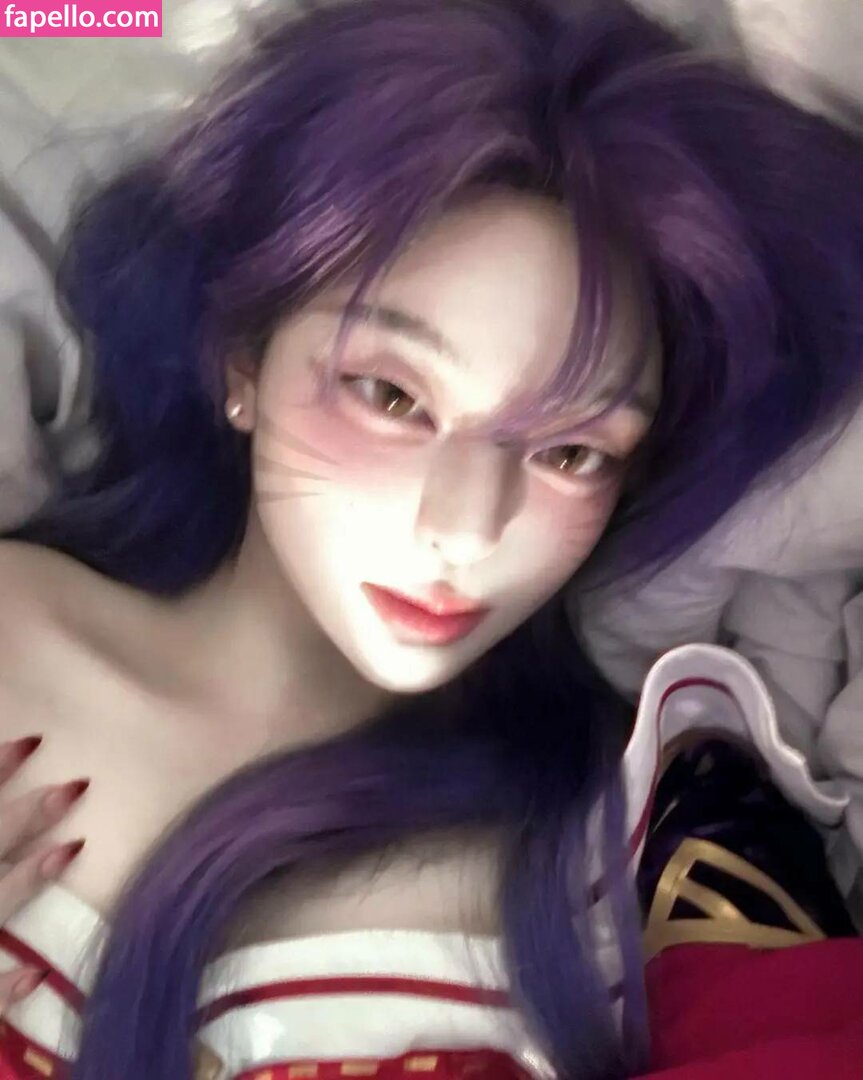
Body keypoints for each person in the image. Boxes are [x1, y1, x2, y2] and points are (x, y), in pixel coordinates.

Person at [0, 0, 862, 1076]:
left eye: (570, 451)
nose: (464, 528)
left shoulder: (655, 832)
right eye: (390, 395)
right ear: (241, 359)